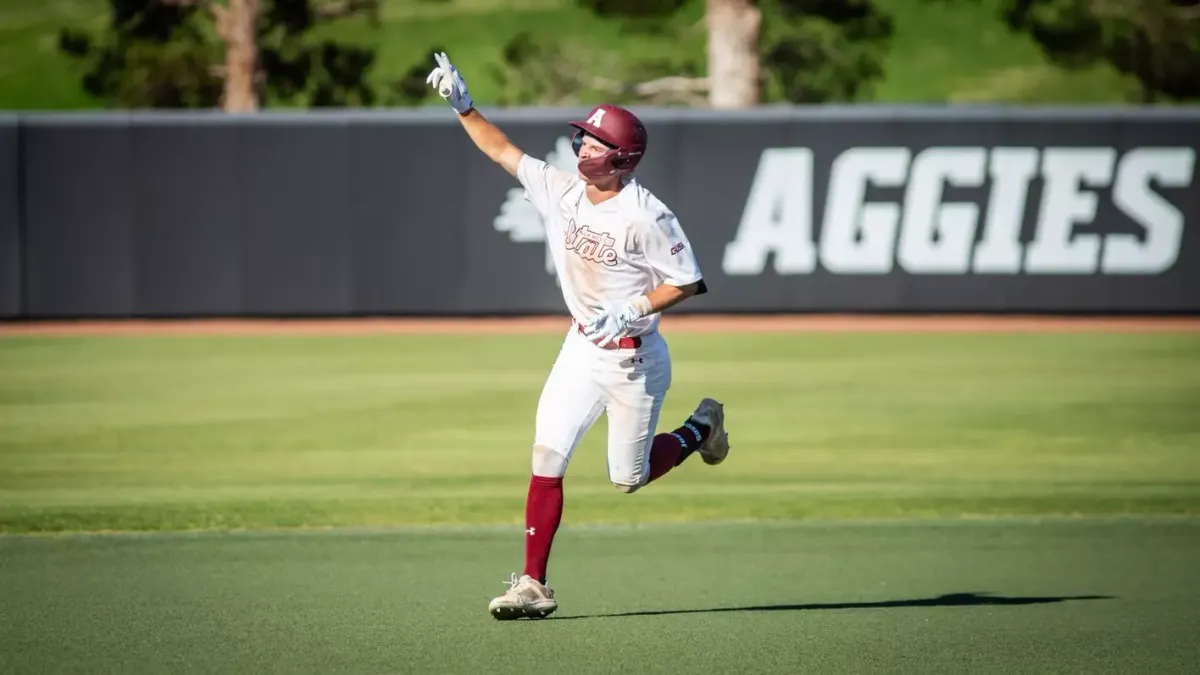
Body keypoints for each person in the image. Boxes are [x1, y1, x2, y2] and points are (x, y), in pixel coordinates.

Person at [425, 52, 731, 620]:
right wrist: (464, 107)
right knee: (547, 455)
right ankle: (533, 584)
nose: (583, 146)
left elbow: (688, 281)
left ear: (622, 159)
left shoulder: (648, 215)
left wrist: (634, 306)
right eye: (583, 138)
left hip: (634, 361)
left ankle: (700, 428)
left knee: (628, 478)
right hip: (580, 350)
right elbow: (501, 150)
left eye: (596, 142)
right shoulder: (560, 190)